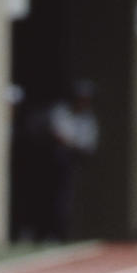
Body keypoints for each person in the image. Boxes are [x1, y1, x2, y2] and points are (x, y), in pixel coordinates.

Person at [45, 81, 98, 242]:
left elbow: (88, 145)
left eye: (86, 99)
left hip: (75, 161)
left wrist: (74, 145)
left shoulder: (88, 119)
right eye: (80, 98)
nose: (83, 102)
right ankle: (50, 232)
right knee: (53, 196)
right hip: (56, 159)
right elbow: (59, 137)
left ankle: (64, 233)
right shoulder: (61, 111)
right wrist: (74, 144)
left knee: (67, 199)